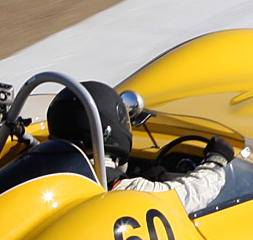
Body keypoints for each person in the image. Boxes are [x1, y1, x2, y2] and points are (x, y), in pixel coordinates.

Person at [47, 80, 235, 212]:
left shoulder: (48, 170)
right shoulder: (116, 188)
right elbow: (187, 196)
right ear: (107, 131)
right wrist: (216, 161)